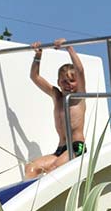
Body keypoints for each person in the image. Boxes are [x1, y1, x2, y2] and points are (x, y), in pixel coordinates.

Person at [25, 38, 87, 178]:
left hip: (77, 147)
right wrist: (38, 55)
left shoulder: (79, 96)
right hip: (60, 149)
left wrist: (69, 47)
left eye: (72, 80)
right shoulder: (57, 96)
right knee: (31, 168)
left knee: (54, 169)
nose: (68, 84)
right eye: (64, 81)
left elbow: (80, 70)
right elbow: (34, 77)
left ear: (77, 83)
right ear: (58, 82)